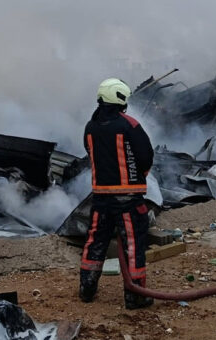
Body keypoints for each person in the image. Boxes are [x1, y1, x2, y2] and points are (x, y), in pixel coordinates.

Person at [79, 78, 154, 310]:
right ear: (121, 99)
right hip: (128, 200)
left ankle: (87, 289)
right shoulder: (128, 125)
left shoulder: (90, 127)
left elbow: (89, 152)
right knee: (133, 245)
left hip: (100, 197)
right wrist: (137, 178)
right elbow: (146, 157)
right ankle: (135, 296)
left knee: (95, 242)